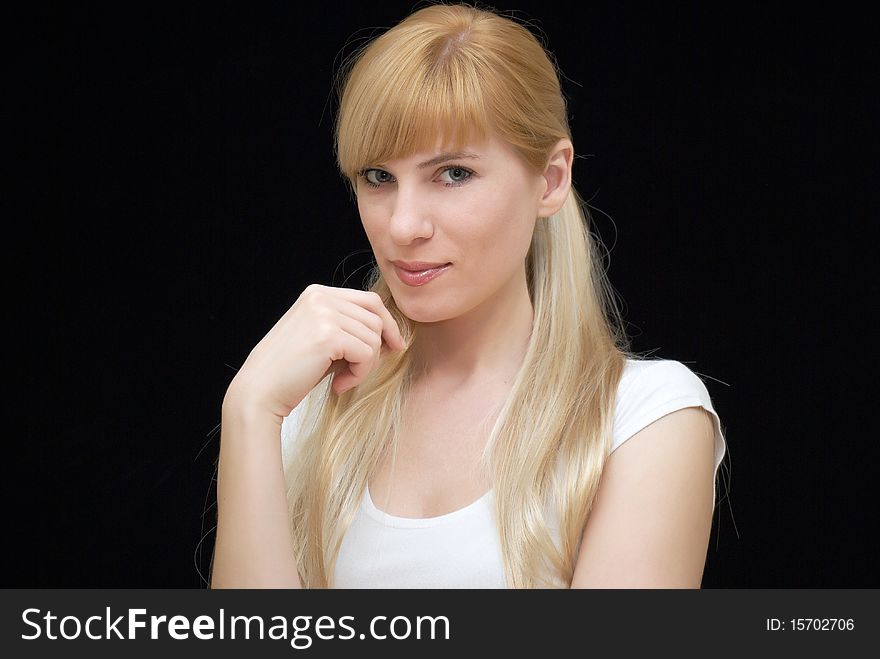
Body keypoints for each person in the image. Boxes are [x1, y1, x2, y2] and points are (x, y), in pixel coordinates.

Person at [209, 1, 727, 589]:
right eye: (378, 177)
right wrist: (248, 409)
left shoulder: (641, 419)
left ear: (551, 179)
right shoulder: (304, 408)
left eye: (453, 173)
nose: (404, 225)